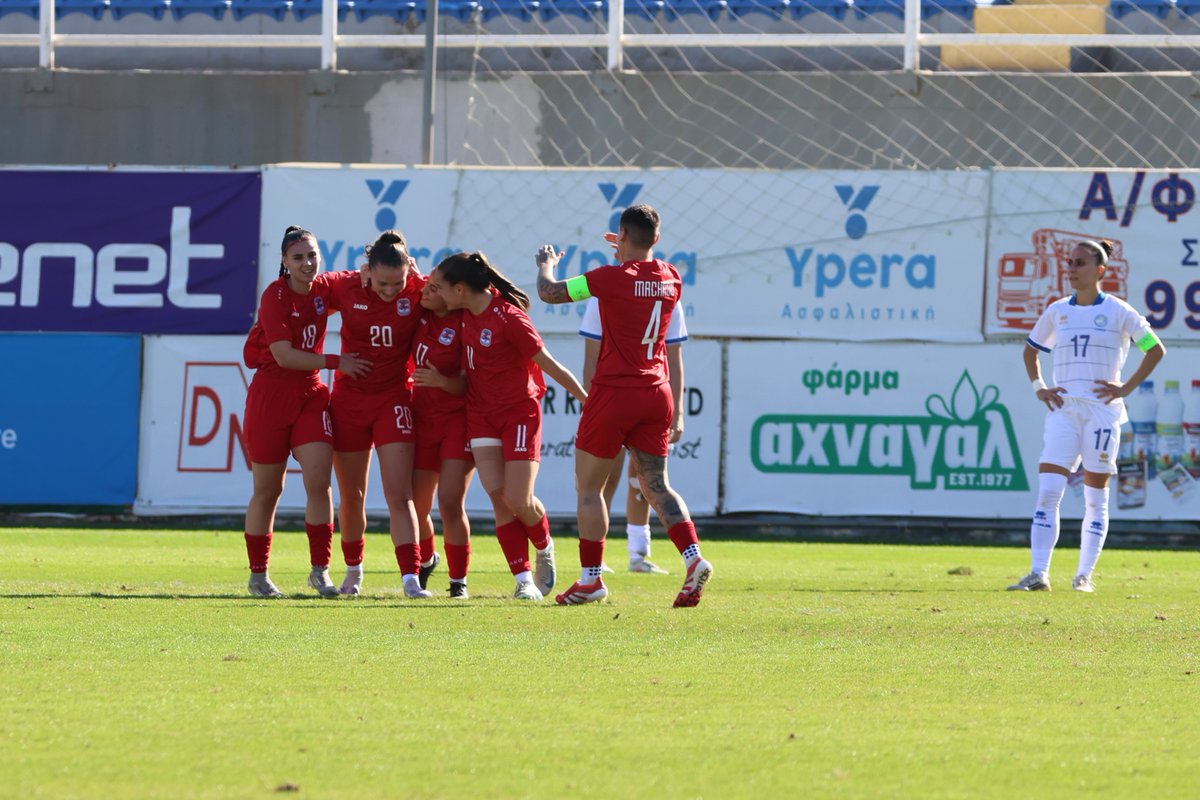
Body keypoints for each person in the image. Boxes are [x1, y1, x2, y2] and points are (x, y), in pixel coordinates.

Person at [536, 203, 713, 607]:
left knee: (588, 487)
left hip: (615, 393)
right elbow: (644, 277)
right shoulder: (672, 277)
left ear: (622, 235)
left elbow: (550, 292)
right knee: (657, 486)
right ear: (657, 239)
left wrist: (546, 264)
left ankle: (591, 579)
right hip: (657, 392)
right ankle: (693, 557)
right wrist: (629, 249)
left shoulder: (609, 279)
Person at [427, 251, 587, 601]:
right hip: (481, 415)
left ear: (459, 289)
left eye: (439, 287)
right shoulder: (464, 312)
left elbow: (550, 365)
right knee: (500, 500)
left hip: (519, 413)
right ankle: (523, 580)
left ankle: (543, 546)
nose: (433, 292)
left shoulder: (509, 318)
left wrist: (586, 400)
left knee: (519, 498)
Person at [1009, 239, 1164, 593]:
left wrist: (1125, 388)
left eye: (1079, 263)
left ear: (1100, 271)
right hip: (1063, 410)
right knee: (1049, 491)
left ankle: (1083, 577)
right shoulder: (1057, 310)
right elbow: (1030, 352)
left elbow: (1154, 349)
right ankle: (1038, 574)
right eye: (1069, 262)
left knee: (1096, 498)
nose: (1071, 269)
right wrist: (1040, 388)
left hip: (1101, 414)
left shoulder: (1119, 312)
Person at [241, 226, 371, 599]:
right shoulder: (274, 296)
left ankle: (320, 571)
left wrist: (379, 269)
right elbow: (283, 356)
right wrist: (337, 361)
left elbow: (365, 275)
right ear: (284, 261)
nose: (307, 263)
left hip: (311, 394)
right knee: (268, 490)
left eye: (312, 255)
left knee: (319, 483)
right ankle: (258, 575)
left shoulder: (324, 287)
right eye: (298, 257)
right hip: (271, 395)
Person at [325, 231, 432, 599]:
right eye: (383, 283)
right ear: (367, 271)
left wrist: (424, 279)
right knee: (351, 496)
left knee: (399, 496)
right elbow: (300, 291)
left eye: (398, 283)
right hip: (349, 403)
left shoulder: (418, 289)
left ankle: (410, 579)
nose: (391, 291)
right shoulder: (344, 286)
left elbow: (461, 296)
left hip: (393, 400)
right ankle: (353, 573)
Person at [578, 294, 688, 574]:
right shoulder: (602, 298)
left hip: (646, 397)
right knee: (605, 480)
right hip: (616, 398)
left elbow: (673, 358)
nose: (617, 252)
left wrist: (679, 412)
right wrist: (591, 405)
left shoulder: (668, 297)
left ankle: (638, 555)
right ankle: (597, 561)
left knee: (642, 483)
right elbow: (592, 358)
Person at [410, 277, 475, 599]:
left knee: (450, 502)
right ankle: (427, 558)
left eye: (434, 288)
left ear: (453, 294)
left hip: (457, 422)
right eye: (427, 285)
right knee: (416, 508)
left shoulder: (465, 323)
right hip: (422, 420)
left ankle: (458, 580)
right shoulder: (420, 314)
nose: (426, 290)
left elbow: (467, 384)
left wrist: (440, 381)